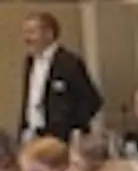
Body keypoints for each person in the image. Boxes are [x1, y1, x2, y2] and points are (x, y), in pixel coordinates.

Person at [17, 11, 103, 142]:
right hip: (33, 135)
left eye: (32, 32)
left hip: (61, 137)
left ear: (49, 34)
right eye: (25, 32)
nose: (27, 38)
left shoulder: (69, 63)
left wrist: (73, 127)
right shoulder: (30, 62)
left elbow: (92, 100)